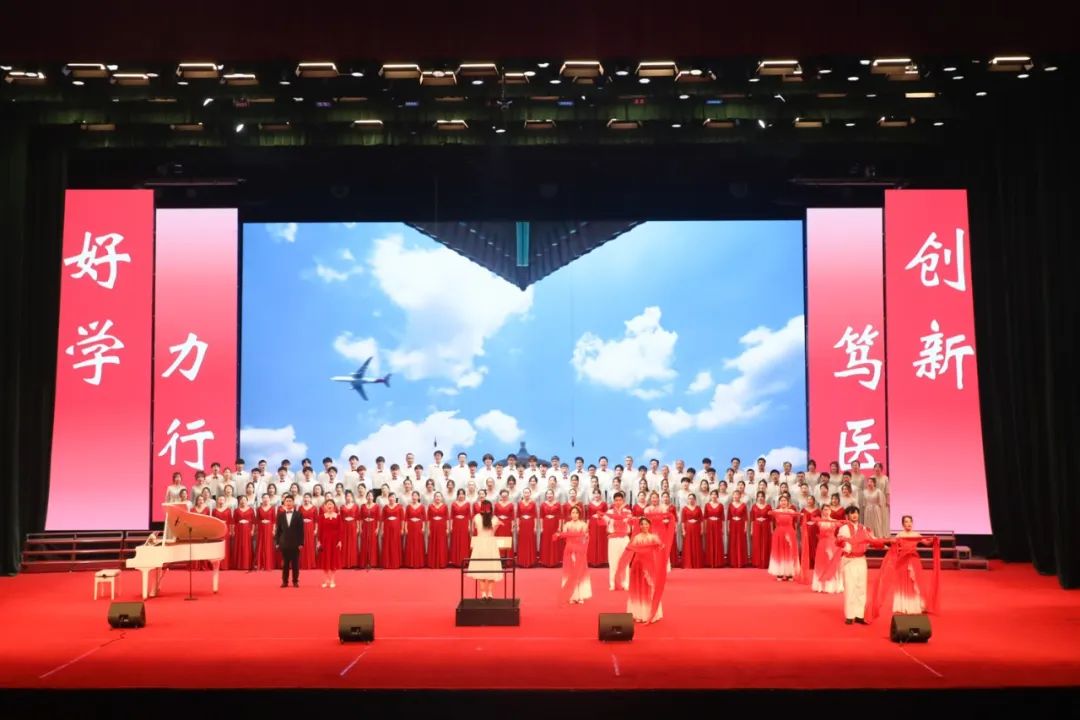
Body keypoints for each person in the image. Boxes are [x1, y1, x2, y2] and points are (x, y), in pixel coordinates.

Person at [867, 515, 941, 625]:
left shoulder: (916, 535)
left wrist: (933, 540)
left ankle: (916, 605)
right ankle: (904, 605)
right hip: (902, 561)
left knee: (915, 583)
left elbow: (927, 543)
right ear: (903, 524)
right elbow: (894, 546)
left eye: (910, 521)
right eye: (906, 522)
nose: (908, 524)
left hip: (914, 561)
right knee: (902, 583)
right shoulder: (899, 535)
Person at [836, 506, 885, 624]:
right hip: (849, 560)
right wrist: (848, 543)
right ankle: (850, 615)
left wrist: (884, 542)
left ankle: (860, 615)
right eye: (852, 513)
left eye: (856, 513)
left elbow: (873, 540)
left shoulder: (864, 528)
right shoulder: (844, 528)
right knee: (850, 587)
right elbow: (841, 541)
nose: (855, 515)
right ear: (847, 515)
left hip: (861, 559)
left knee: (861, 587)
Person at [615, 517, 668, 624]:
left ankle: (651, 613)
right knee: (638, 589)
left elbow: (661, 548)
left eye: (646, 524)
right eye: (642, 524)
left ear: (649, 525)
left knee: (650, 588)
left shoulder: (654, 538)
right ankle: (638, 614)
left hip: (650, 566)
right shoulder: (636, 538)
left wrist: (661, 546)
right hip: (638, 566)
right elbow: (629, 549)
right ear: (639, 526)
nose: (644, 526)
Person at [555, 506, 592, 604]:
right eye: (573, 513)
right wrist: (558, 535)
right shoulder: (567, 525)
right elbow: (563, 535)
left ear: (579, 514)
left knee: (580, 572)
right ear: (570, 514)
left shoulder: (583, 525)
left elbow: (585, 538)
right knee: (570, 572)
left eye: (576, 513)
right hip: (569, 550)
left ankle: (580, 596)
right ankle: (571, 596)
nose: (574, 515)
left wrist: (583, 543)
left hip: (580, 550)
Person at [467, 501, 503, 600]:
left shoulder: (477, 517)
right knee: (492, 568)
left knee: (481, 567)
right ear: (491, 508)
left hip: (480, 544)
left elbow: (475, 530)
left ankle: (483, 593)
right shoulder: (494, 518)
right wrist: (497, 525)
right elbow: (492, 533)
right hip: (491, 544)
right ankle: (490, 593)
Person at [767, 495, 800, 581]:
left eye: (785, 500)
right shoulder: (776, 511)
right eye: (781, 501)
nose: (783, 502)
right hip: (779, 533)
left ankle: (790, 573)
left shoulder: (791, 511)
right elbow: (769, 514)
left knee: (790, 552)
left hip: (790, 533)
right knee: (779, 552)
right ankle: (780, 573)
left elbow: (797, 520)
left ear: (788, 502)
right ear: (779, 502)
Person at [274, 495, 304, 588]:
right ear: (284, 503)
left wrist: (301, 543)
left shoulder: (298, 515)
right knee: (285, 564)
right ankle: (285, 581)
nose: (288, 503)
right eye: (287, 501)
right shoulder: (281, 515)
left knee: (295, 564)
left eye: (290, 501)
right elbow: (278, 530)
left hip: (295, 543)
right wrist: (277, 542)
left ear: (293, 502)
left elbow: (301, 530)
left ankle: (295, 581)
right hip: (284, 543)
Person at [606, 491, 633, 590]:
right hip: (613, 539)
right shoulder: (609, 512)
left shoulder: (628, 512)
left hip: (624, 538)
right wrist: (599, 517)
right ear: (613, 501)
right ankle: (612, 583)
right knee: (613, 561)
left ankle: (625, 583)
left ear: (623, 501)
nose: (618, 502)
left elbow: (631, 523)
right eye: (616, 500)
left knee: (625, 561)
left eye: (620, 500)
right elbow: (603, 523)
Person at [680, 493, 704, 569]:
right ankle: (688, 563)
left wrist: (702, 529)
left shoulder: (698, 508)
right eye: (689, 498)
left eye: (692, 498)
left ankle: (697, 563)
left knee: (696, 545)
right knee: (688, 545)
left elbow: (701, 520)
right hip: (688, 528)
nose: (691, 500)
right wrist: (683, 530)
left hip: (696, 528)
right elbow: (683, 521)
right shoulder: (684, 509)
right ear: (687, 500)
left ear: (695, 500)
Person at [449, 489, 473, 566]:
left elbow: (469, 516)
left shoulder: (467, 504)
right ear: (457, 495)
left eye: (462, 494)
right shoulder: (453, 504)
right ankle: (455, 561)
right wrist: (451, 526)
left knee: (464, 542)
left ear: (464, 495)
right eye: (459, 494)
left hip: (464, 524)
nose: (461, 495)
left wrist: (469, 526)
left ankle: (465, 561)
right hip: (456, 524)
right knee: (456, 541)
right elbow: (451, 516)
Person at [516, 487, 538, 568]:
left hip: (530, 523)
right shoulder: (519, 503)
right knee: (522, 542)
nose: (526, 494)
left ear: (530, 494)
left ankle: (531, 561)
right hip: (522, 524)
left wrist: (535, 527)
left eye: (528, 493)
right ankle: (522, 562)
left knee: (530, 541)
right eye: (525, 493)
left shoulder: (533, 503)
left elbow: (535, 516)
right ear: (523, 494)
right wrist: (517, 526)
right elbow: (517, 516)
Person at [404, 491, 427, 568]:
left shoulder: (422, 506)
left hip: (418, 526)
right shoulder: (408, 506)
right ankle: (410, 563)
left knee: (418, 543)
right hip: (410, 526)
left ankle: (419, 562)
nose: (414, 497)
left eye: (416, 496)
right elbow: (406, 518)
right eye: (413, 496)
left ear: (418, 497)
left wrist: (423, 527)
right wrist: (405, 528)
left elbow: (424, 518)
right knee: (410, 543)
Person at [703, 489, 726, 568]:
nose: (714, 496)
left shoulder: (721, 505)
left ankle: (718, 562)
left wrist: (722, 528)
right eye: (712, 494)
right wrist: (705, 528)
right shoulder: (707, 505)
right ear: (710, 496)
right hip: (709, 525)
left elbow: (722, 518)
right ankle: (710, 562)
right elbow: (705, 517)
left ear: (717, 496)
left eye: (715, 494)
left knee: (718, 542)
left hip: (718, 525)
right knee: (710, 542)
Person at [540, 489, 562, 567]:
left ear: (553, 495)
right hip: (546, 524)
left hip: (555, 524)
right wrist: (542, 527)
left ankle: (555, 561)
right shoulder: (543, 504)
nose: (549, 495)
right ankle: (545, 561)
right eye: (548, 494)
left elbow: (560, 517)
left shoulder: (558, 504)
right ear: (546, 495)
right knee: (546, 541)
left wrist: (559, 527)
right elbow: (541, 517)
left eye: (551, 494)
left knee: (554, 541)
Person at [727, 489, 749, 568]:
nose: (736, 496)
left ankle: (741, 561)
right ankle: (733, 562)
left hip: (741, 524)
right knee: (733, 542)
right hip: (733, 524)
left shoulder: (743, 505)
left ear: (740, 496)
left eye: (737, 494)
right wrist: (728, 527)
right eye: (735, 494)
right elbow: (728, 517)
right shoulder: (730, 505)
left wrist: (745, 527)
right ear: (733, 496)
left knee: (740, 542)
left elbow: (746, 517)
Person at [750, 491, 772, 568]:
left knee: (765, 543)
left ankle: (765, 562)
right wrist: (751, 530)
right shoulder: (754, 506)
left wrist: (771, 530)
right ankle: (757, 562)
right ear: (756, 497)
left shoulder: (768, 506)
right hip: (756, 526)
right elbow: (752, 520)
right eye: (759, 496)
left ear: (764, 497)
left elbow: (771, 520)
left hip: (766, 526)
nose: (760, 498)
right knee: (757, 543)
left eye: (762, 496)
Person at [427, 492, 449, 568]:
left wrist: (447, 528)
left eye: (439, 496)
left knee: (441, 544)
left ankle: (442, 562)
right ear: (434, 497)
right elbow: (428, 519)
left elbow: (447, 518)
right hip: (433, 527)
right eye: (436, 496)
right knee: (433, 543)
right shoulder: (430, 506)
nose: (438, 498)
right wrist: (428, 529)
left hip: (442, 527)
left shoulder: (445, 506)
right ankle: (432, 563)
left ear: (442, 498)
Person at [233, 495, 255, 571]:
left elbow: (253, 521)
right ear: (239, 501)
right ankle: (238, 564)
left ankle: (247, 564)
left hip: (247, 530)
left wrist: (252, 530)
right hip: (239, 530)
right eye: (241, 500)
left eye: (244, 500)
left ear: (247, 501)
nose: (243, 501)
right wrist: (233, 530)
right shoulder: (236, 510)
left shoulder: (251, 510)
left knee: (247, 546)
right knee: (239, 545)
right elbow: (234, 521)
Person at [340, 490, 360, 569]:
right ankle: (344, 563)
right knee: (345, 543)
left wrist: (358, 527)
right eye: (347, 496)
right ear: (345, 497)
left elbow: (358, 518)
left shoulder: (356, 506)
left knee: (352, 543)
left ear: (352, 497)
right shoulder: (342, 507)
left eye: (350, 496)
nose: (348, 498)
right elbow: (341, 519)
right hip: (344, 526)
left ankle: (353, 563)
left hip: (353, 526)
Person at [298, 493, 318, 570]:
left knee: (310, 545)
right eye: (305, 497)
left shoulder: (314, 508)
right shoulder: (300, 508)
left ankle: (311, 563)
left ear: (310, 499)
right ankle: (302, 563)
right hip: (302, 528)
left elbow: (316, 520)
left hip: (310, 528)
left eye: (308, 497)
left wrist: (316, 529)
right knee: (302, 544)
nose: (306, 499)